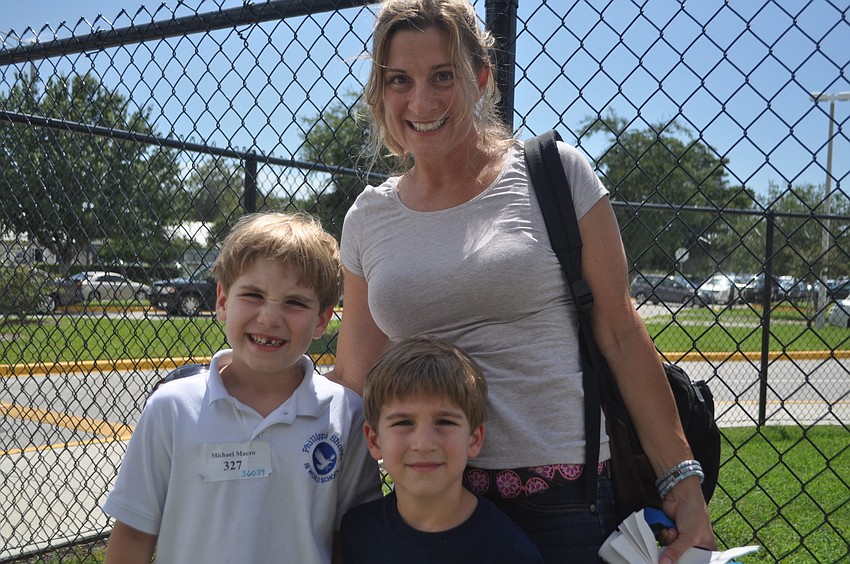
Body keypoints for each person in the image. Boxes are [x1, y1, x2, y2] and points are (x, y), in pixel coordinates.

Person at [330, 0, 717, 561]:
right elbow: (353, 378)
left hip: (563, 498)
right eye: (399, 80)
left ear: (482, 79)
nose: (422, 101)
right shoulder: (368, 217)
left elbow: (619, 333)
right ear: (379, 92)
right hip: (431, 495)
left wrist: (681, 481)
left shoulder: (554, 173)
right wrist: (258, 396)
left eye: (444, 76)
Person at [102, 212, 382, 564]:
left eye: (295, 302)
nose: (269, 317)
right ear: (222, 301)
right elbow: (134, 532)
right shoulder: (171, 408)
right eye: (253, 295)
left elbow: (351, 538)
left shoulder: (346, 415)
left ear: (322, 319)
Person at [340, 336, 543, 563]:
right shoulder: (358, 532)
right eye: (403, 423)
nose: (424, 444)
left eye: (444, 422)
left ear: (474, 439)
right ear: (375, 441)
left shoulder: (508, 550)